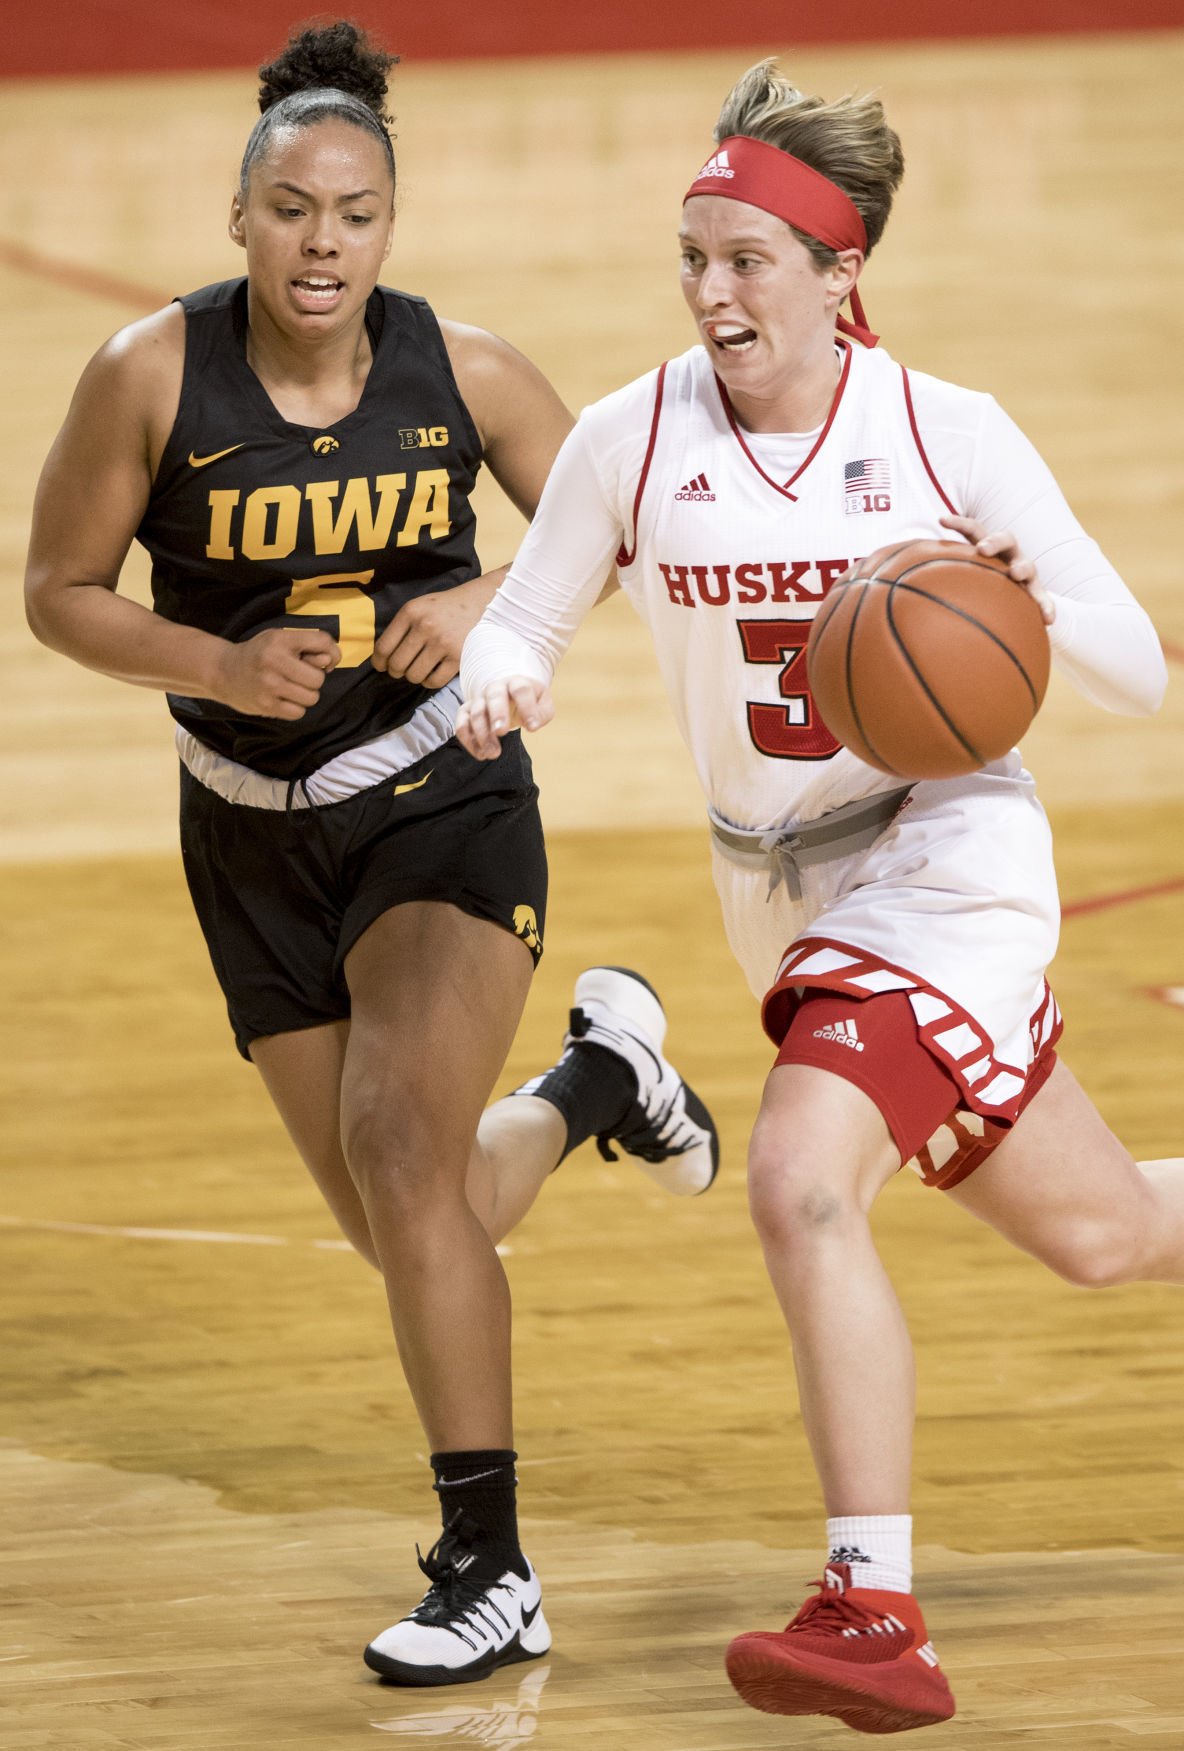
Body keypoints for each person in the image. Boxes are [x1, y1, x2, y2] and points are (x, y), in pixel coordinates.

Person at [457, 58, 1181, 1734]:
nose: (713, 290)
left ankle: (874, 1611)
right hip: (773, 890)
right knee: (1104, 1234)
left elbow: (1138, 669)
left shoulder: (948, 435)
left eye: (748, 261)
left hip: (947, 862)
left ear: (839, 274)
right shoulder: (633, 436)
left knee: (798, 1179)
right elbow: (529, 616)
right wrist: (507, 677)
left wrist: (996, 600)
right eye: (693, 256)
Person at [23, 20, 719, 1689]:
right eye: (290, 209)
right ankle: (598, 1088)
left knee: (407, 1170)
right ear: (240, 214)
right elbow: (58, 591)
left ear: (389, 225)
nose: (322, 242)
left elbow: (611, 523)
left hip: (440, 798)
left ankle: (490, 1567)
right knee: (416, 1217)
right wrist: (210, 663)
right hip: (246, 833)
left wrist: (486, 608)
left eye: (354, 212)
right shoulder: (145, 372)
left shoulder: (463, 371)